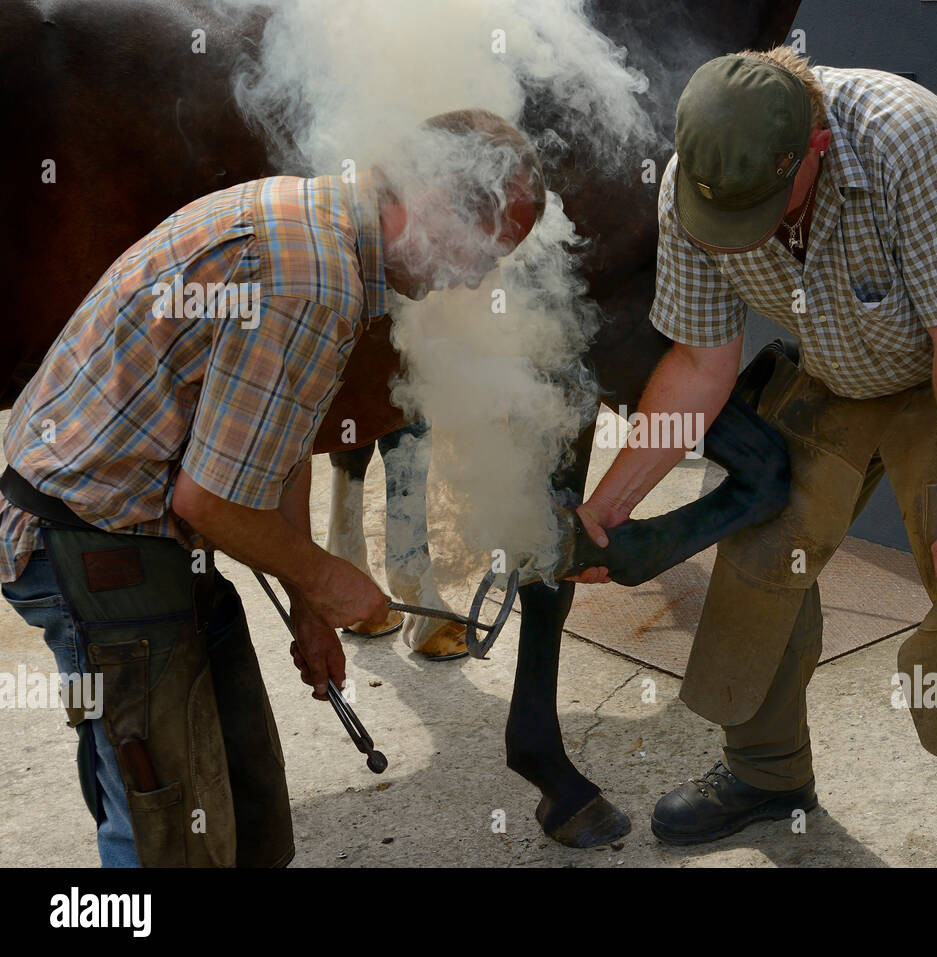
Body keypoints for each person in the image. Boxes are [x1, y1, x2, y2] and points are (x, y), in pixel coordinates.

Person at [573, 48, 937, 866]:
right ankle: (767, 773)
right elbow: (702, 364)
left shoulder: (913, 144)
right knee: (758, 547)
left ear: (814, 146)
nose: (751, 230)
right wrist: (607, 509)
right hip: (836, 361)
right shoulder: (702, 181)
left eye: (764, 208)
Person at [0, 108, 545, 867]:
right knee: (171, 827)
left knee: (251, 804)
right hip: (85, 533)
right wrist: (328, 576)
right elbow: (208, 501)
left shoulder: (327, 233)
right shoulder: (311, 276)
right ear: (430, 201)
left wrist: (309, 605)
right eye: (487, 249)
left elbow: (278, 449)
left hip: (142, 527)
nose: (480, 276)